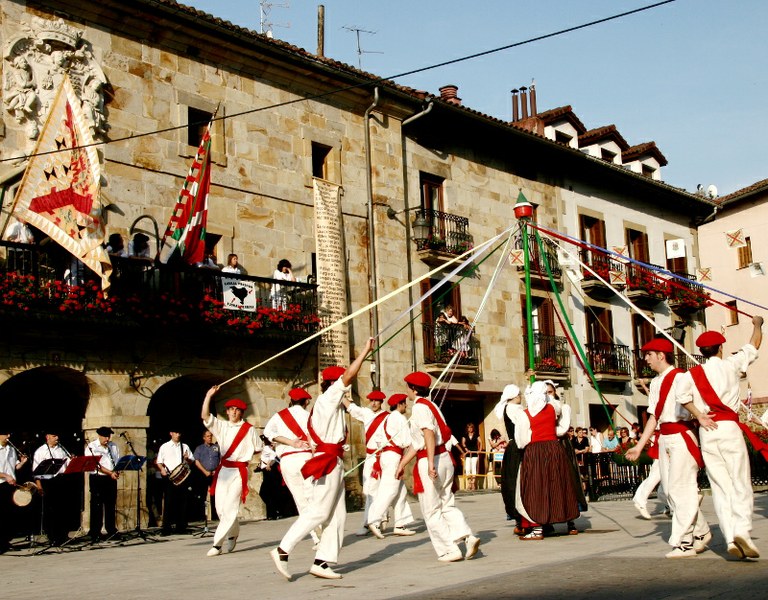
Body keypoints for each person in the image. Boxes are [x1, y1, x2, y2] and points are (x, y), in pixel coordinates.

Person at [270, 338, 375, 581]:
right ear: (332, 384)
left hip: (334, 460)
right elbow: (348, 376)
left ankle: (322, 561)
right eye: (341, 385)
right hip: (327, 461)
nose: (346, 389)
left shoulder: (335, 405)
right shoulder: (328, 400)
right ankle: (282, 549)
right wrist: (366, 351)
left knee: (338, 515)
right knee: (319, 511)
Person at [676, 316, 764, 559]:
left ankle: (729, 539)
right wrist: (757, 324)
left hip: (708, 431)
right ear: (721, 348)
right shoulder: (731, 365)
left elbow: (682, 398)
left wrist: (700, 417)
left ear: (702, 352)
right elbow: (754, 345)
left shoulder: (691, 374)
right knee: (740, 482)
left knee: (720, 486)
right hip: (729, 429)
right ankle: (742, 532)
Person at [626, 338, 711, 558]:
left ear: (661, 355)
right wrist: (639, 446)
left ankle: (684, 542)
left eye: (649, 355)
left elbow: (698, 406)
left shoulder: (682, 377)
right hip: (664, 437)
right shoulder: (654, 383)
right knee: (669, 492)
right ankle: (701, 531)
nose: (646, 359)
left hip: (682, 435)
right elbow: (654, 417)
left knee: (679, 488)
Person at [396, 371, 480, 562]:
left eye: (408, 386)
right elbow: (418, 442)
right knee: (446, 503)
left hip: (431, 458)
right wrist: (402, 463)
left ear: (414, 389)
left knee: (431, 509)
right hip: (445, 458)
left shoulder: (419, 408)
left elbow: (428, 435)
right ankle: (467, 536)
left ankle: (449, 550)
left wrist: (430, 463)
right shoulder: (432, 405)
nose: (407, 390)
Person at [511, 381, 581, 540]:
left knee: (535, 487)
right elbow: (561, 427)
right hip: (554, 449)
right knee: (556, 484)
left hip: (535, 451)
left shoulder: (525, 414)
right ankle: (558, 520)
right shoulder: (552, 409)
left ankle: (537, 529)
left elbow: (521, 440)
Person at [201, 388, 263, 556]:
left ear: (241, 412)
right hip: (224, 470)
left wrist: (246, 458)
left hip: (240, 470)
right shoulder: (221, 426)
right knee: (221, 508)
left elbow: (258, 448)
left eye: (237, 410)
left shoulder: (249, 429)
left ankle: (217, 544)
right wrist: (208, 396)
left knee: (230, 507)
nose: (234, 412)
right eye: (231, 409)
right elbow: (205, 416)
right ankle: (233, 533)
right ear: (227, 412)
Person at [263, 387, 320, 547]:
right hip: (308, 458)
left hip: (288, 460)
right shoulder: (310, 416)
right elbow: (316, 439)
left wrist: (290, 442)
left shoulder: (279, 416)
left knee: (301, 502)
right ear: (306, 401)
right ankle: (321, 533)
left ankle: (316, 537)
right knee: (313, 498)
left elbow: (268, 433)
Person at [366, 393, 417, 538]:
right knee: (389, 490)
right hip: (394, 456)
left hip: (385, 456)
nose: (406, 406)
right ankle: (375, 520)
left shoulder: (387, 418)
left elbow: (378, 439)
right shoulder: (400, 418)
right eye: (404, 403)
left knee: (400, 492)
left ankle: (400, 524)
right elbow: (407, 442)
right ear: (399, 404)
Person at [343, 389, 387, 535]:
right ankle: (370, 522)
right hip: (371, 457)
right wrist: (338, 392)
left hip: (385, 456)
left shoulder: (388, 417)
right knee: (368, 490)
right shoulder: (366, 414)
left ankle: (379, 519)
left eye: (377, 401)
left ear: (381, 402)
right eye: (371, 400)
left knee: (383, 490)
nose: (374, 403)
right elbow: (351, 407)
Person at [32, 430, 71, 546]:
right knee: (51, 510)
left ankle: (62, 535)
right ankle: (53, 536)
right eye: (54, 436)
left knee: (62, 508)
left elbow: (66, 465)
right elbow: (36, 471)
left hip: (61, 480)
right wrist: (39, 486)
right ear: (47, 437)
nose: (57, 438)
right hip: (48, 481)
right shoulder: (40, 451)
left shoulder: (61, 449)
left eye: (57, 435)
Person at [493, 384, 523, 528]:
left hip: (517, 446)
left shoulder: (514, 408)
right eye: (519, 394)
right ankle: (519, 517)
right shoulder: (512, 408)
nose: (521, 397)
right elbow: (522, 427)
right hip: (518, 447)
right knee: (516, 481)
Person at [156, 430, 195, 535]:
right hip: (169, 477)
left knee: (182, 502)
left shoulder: (185, 446)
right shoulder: (164, 446)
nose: (178, 435)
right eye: (176, 433)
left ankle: (181, 527)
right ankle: (166, 528)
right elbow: (159, 462)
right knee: (168, 503)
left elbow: (192, 461)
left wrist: (187, 459)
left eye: (179, 433)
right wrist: (162, 469)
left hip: (182, 477)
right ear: (171, 433)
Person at [86, 426, 121, 542]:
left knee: (111, 504)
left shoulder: (113, 446)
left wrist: (117, 470)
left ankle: (111, 529)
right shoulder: (92, 447)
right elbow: (96, 465)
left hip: (110, 478)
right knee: (97, 505)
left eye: (109, 436)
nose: (107, 439)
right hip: (98, 478)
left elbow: (117, 460)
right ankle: (95, 531)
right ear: (99, 436)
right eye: (105, 436)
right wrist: (110, 472)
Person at [0, 429, 28, 553]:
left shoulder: (11, 449)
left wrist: (22, 463)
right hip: (0, 483)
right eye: (6, 434)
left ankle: (5, 541)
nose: (8, 436)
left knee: (9, 515)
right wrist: (5, 476)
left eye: (9, 434)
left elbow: (14, 467)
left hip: (10, 485)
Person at [193, 430, 220, 521]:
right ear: (204, 438)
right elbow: (196, 461)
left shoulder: (216, 447)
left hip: (214, 474)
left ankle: (215, 516)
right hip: (203, 474)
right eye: (208, 436)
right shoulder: (199, 448)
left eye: (211, 436)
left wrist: (216, 470)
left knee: (215, 495)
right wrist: (205, 471)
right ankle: (201, 516)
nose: (210, 437)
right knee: (202, 495)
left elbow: (221, 459)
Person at [459, 422, 483, 491]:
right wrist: (466, 449)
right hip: (467, 453)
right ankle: (469, 483)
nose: (470, 429)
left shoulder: (476, 434)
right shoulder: (465, 435)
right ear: (467, 429)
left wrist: (480, 450)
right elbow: (463, 443)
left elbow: (481, 442)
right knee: (467, 468)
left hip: (474, 453)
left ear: (473, 428)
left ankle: (473, 484)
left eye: (471, 427)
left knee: (473, 468)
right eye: (469, 428)